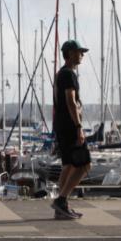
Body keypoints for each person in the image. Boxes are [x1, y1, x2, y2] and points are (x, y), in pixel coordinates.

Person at [52, 40, 92, 220]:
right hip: (70, 127)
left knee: (68, 166)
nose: (82, 54)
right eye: (79, 51)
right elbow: (70, 100)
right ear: (69, 53)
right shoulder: (68, 74)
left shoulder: (61, 73)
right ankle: (61, 200)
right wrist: (78, 127)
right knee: (84, 165)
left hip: (62, 126)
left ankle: (61, 207)